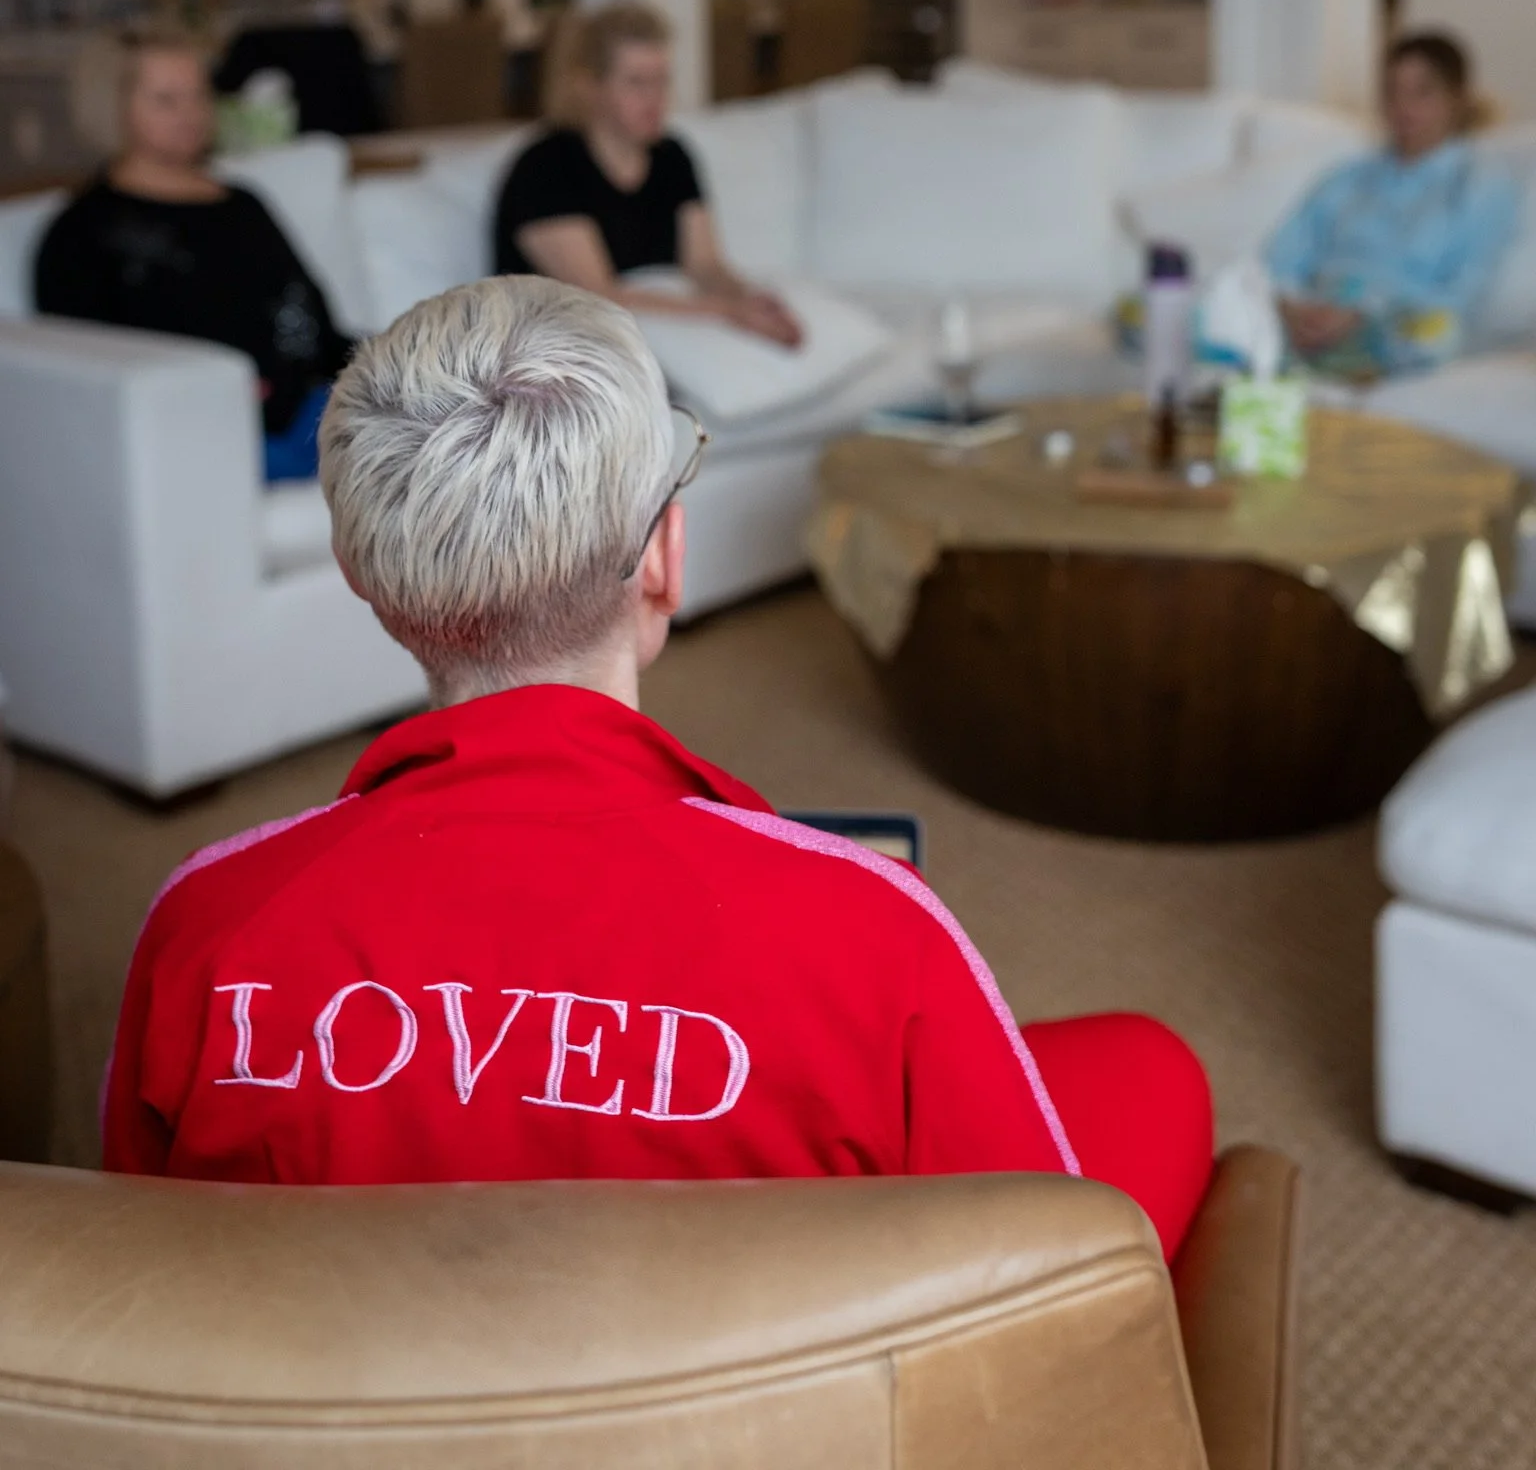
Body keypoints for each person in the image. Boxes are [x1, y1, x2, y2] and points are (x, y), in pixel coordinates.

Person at [102, 276, 1213, 1260]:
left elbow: (150, 1290)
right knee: (1151, 1071)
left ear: (361, 574)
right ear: (668, 561)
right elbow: (1029, 1285)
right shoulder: (878, 926)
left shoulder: (203, 918)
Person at [33, 32, 351, 482]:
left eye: (199, 95)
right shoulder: (82, 233)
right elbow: (88, 377)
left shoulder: (242, 204)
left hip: (318, 409)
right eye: (166, 100)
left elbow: (318, 322)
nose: (191, 113)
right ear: (113, 108)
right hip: (205, 433)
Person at [494, 2, 803, 347]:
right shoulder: (544, 167)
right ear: (590, 86)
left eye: (662, 80)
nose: (655, 98)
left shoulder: (672, 156)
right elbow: (595, 296)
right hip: (558, 353)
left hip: (655, 338)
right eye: (637, 82)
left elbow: (704, 265)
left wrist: (748, 299)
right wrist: (727, 312)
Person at [1267, 30, 1518, 377]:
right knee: (1213, 311)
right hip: (1313, 318)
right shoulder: (1347, 178)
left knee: (1436, 334)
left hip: (1397, 326)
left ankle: (1330, 383)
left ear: (1457, 98)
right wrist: (1292, 310)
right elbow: (1281, 262)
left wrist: (1363, 313)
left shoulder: (1481, 185)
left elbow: (1463, 296)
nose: (1403, 108)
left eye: (1421, 93)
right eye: (1392, 93)